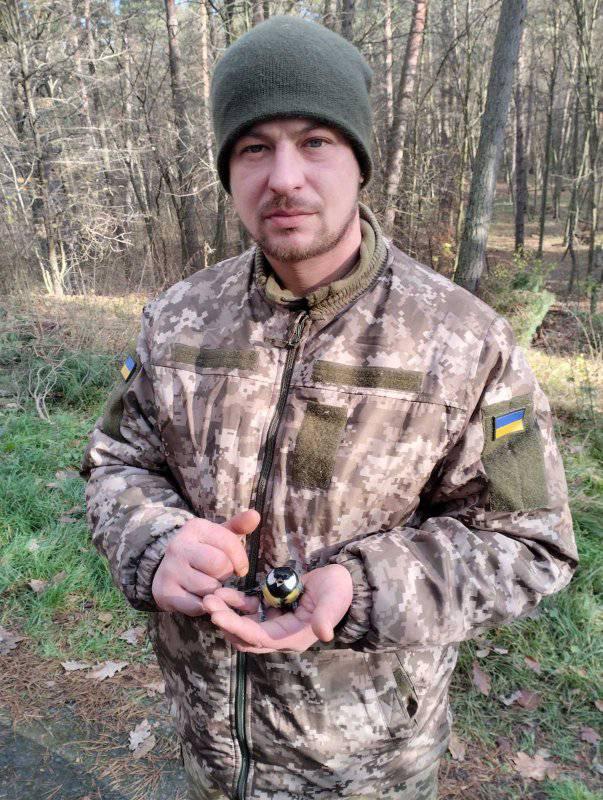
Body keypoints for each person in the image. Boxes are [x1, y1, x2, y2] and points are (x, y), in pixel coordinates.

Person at [81, 15, 578, 800]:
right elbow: (117, 463)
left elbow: (530, 543)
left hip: (367, 770)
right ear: (228, 169)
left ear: (358, 160)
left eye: (314, 141)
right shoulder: (177, 319)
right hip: (210, 749)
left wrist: (362, 588)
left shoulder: (461, 339)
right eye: (254, 148)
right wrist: (154, 541)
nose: (284, 177)